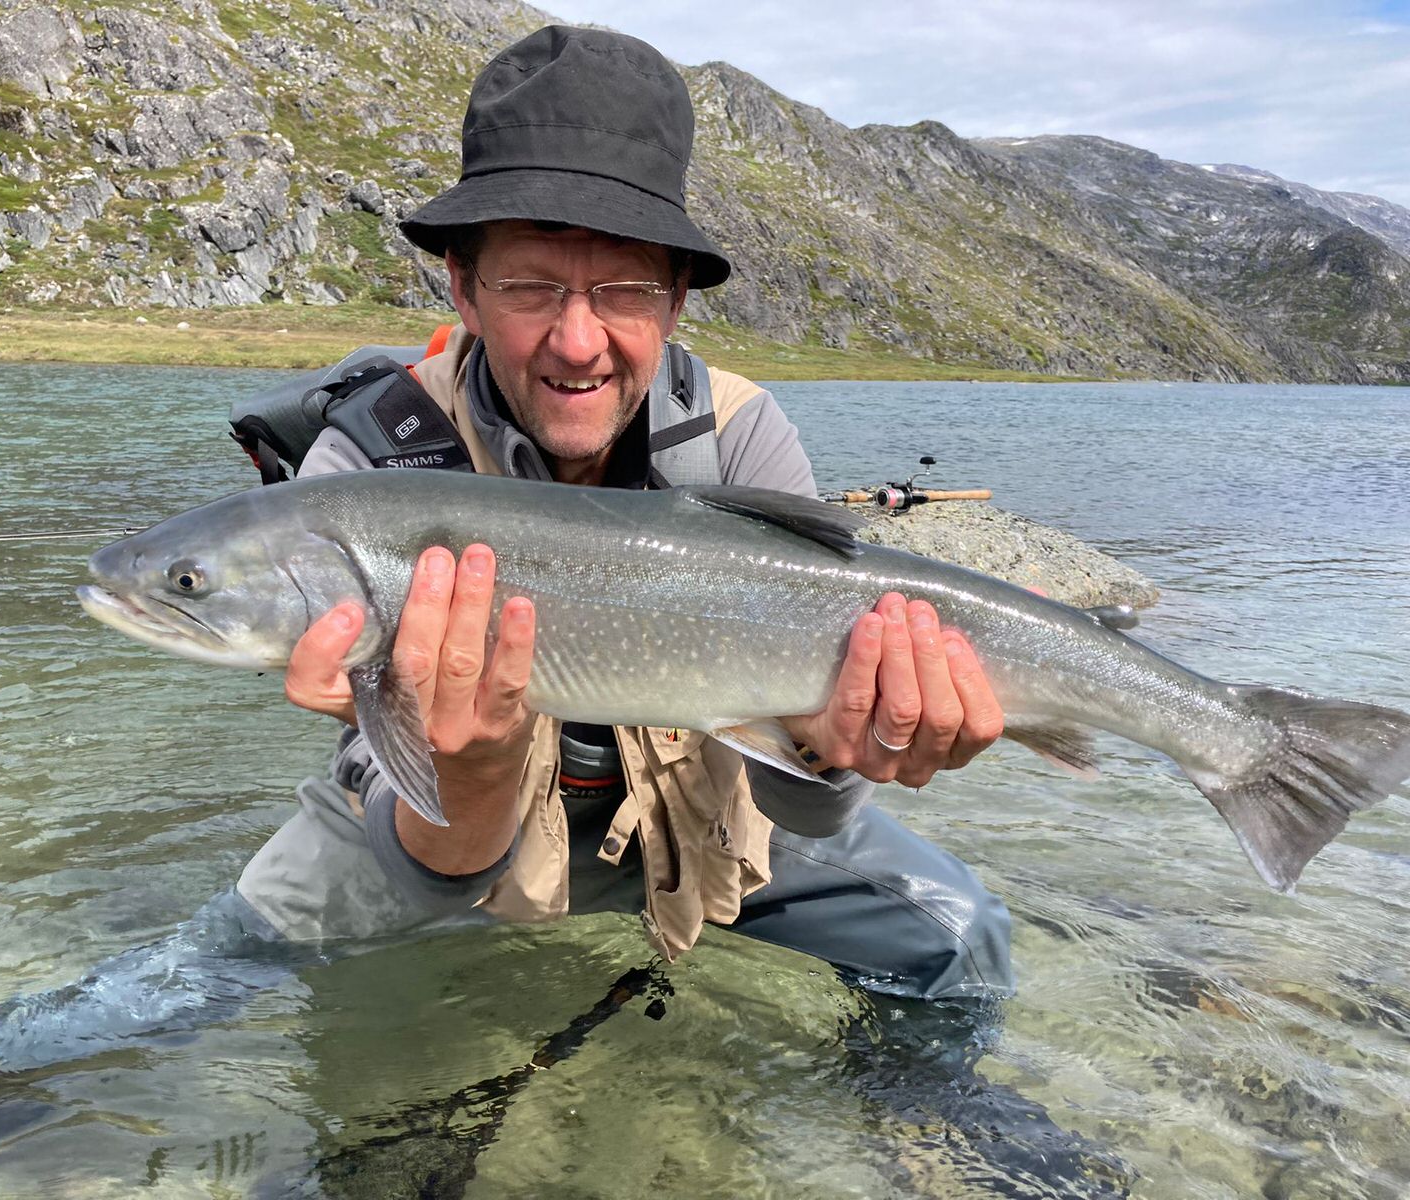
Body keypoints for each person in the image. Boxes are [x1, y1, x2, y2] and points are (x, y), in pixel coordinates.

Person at [234, 24, 1014, 999]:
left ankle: (914, 1139)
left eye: (624, 289)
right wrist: (471, 771)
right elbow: (426, 868)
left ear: (677, 302)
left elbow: (808, 812)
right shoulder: (372, 471)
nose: (576, 340)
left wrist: (837, 739)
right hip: (441, 831)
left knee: (964, 945)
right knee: (204, 979)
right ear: (463, 290)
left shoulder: (738, 431)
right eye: (528, 286)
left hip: (702, 828)